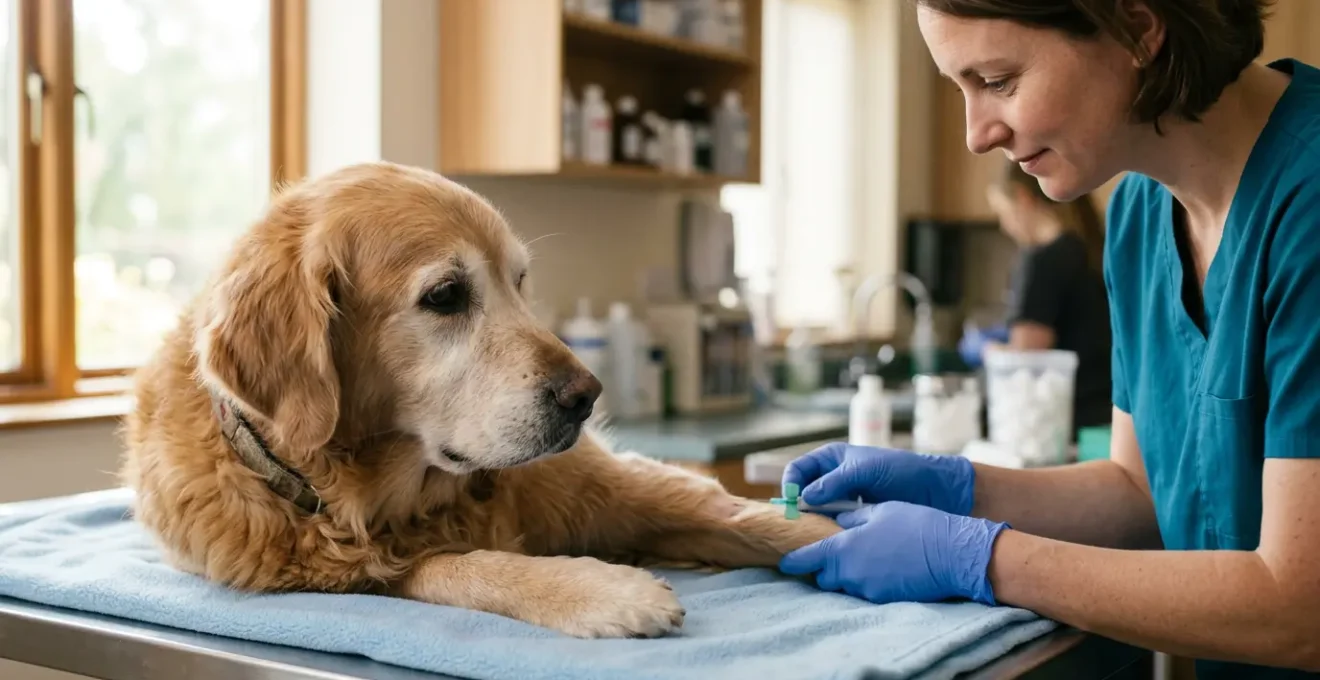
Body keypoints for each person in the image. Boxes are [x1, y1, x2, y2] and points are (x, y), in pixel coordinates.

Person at [778, 1, 1320, 677]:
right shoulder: (1139, 214)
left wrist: (981, 558)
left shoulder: (1309, 197)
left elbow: (1301, 609)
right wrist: (958, 489)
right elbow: (1139, 493)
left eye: (997, 81)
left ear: (1137, 27)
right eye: (961, 88)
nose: (977, 135)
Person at [958, 159, 1113, 438]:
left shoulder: (1041, 261)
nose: (1005, 227)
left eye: (1003, 212)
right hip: (1106, 419)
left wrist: (984, 349)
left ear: (1022, 197)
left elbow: (1026, 361)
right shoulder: (1094, 251)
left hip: (1060, 426)